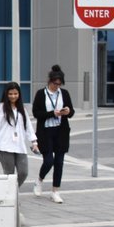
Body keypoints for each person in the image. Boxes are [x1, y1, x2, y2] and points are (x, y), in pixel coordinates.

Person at [32, 65, 75, 204]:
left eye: (59, 84)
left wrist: (68, 111)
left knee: (59, 162)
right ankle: (39, 180)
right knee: (49, 161)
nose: (57, 86)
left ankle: (55, 191)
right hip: (45, 131)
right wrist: (52, 113)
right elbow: (36, 113)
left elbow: (71, 112)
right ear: (49, 81)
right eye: (54, 83)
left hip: (61, 131)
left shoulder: (64, 93)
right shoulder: (40, 94)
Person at [0, 81, 39, 188]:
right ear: (6, 94)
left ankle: (11, 190)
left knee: (23, 172)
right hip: (5, 145)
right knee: (9, 173)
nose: (13, 96)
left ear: (19, 94)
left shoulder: (22, 109)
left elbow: (28, 126)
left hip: (19, 145)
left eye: (15, 94)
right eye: (10, 94)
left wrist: (34, 142)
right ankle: (9, 194)